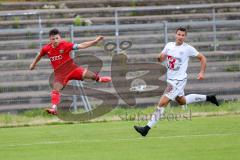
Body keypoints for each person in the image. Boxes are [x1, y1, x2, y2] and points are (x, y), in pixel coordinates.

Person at [134, 27, 219, 136]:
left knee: (162, 102)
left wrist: (202, 72)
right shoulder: (169, 45)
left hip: (179, 80)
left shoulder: (187, 48)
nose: (180, 37)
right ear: (175, 35)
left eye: (183, 35)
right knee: (181, 101)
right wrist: (159, 58)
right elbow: (161, 58)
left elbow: (202, 58)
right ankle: (209, 98)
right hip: (170, 80)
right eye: (179, 34)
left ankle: (146, 128)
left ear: (185, 37)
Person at [29, 28, 111, 115]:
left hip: (72, 69)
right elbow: (40, 55)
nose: (56, 40)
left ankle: (100, 79)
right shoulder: (46, 49)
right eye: (53, 39)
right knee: (55, 90)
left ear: (60, 38)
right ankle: (54, 109)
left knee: (91, 76)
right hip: (60, 75)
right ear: (50, 39)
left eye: (57, 38)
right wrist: (33, 64)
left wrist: (94, 42)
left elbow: (81, 45)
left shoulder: (65, 45)